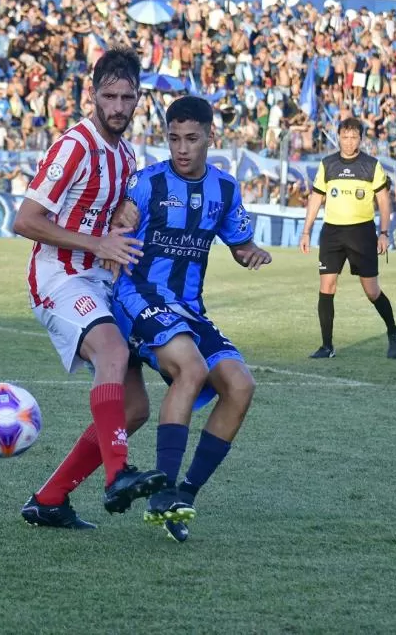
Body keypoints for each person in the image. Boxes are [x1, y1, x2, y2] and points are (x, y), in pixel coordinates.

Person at [12, 47, 165, 529]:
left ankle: (50, 499)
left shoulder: (125, 153)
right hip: (58, 275)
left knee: (136, 409)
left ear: (138, 98)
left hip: (100, 282)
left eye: (128, 97)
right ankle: (117, 474)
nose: (118, 106)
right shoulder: (74, 145)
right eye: (109, 96)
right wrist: (96, 240)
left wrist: (125, 219)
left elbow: (112, 216)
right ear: (92, 94)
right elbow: (25, 220)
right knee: (113, 353)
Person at [114, 96, 272, 542]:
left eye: (191, 139)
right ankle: (162, 489)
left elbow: (239, 244)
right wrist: (118, 231)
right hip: (137, 296)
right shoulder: (146, 184)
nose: (181, 149)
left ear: (209, 138)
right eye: (173, 138)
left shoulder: (224, 189)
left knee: (240, 385)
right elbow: (119, 228)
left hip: (187, 307)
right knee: (191, 367)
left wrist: (250, 253)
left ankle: (183, 496)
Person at [298, 117, 396, 360]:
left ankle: (394, 332)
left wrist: (384, 232)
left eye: (353, 137)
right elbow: (316, 199)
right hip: (332, 233)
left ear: (361, 139)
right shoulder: (328, 164)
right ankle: (327, 346)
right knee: (327, 287)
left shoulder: (371, 166)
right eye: (344, 137)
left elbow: (384, 201)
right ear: (339, 137)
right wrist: (306, 231)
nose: (348, 142)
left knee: (371, 291)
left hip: (362, 233)